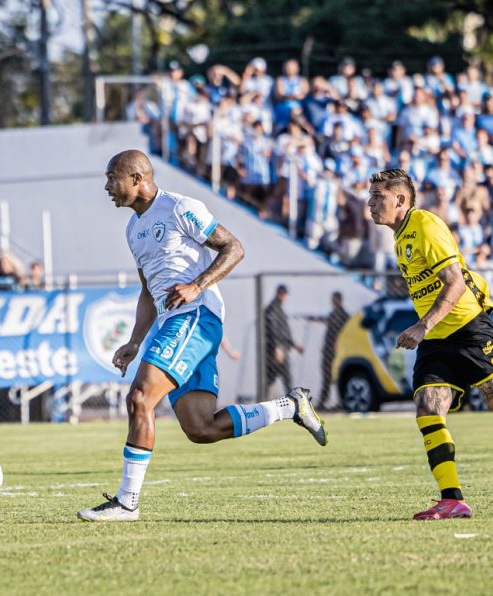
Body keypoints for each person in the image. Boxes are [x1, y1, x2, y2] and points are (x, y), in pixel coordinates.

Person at [77, 150, 326, 523]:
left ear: (137, 178)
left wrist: (197, 285)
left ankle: (127, 503)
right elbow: (148, 291)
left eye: (113, 177)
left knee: (140, 398)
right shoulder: (133, 230)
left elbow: (234, 248)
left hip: (195, 316)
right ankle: (290, 406)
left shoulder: (180, 208)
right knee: (201, 428)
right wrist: (135, 341)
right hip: (174, 321)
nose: (107, 186)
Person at [366, 169, 493, 520]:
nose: (370, 203)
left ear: (400, 199)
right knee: (428, 407)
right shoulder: (400, 238)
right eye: (370, 196)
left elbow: (455, 283)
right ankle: (452, 499)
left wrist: (422, 326)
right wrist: (428, 329)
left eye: (377, 196)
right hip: (436, 340)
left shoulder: (425, 226)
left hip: (468, 329)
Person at [263, 285, 303, 395]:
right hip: (276, 351)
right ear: (280, 294)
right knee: (285, 379)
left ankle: (263, 398)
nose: (286, 298)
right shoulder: (272, 309)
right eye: (285, 295)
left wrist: (294, 345)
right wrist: (277, 348)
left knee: (271, 380)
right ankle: (291, 401)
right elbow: (272, 330)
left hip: (282, 349)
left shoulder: (279, 309)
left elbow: (284, 331)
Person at [313, 291, 349, 409]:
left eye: (334, 300)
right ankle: (324, 400)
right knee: (327, 376)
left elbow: (343, 333)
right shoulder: (335, 314)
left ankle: (339, 401)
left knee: (335, 376)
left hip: (336, 351)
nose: (332, 302)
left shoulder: (343, 315)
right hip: (330, 350)